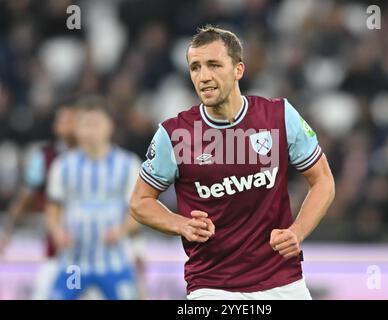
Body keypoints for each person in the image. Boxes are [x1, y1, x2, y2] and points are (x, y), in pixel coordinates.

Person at [129, 26, 335, 300]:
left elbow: (323, 181)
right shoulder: (175, 134)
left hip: (283, 282)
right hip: (212, 287)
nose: (203, 77)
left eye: (213, 65)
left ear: (238, 70)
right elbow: (139, 201)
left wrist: (297, 232)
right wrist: (181, 224)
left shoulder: (278, 116)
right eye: (195, 67)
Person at [46, 97, 142, 299]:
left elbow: (140, 210)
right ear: (77, 129)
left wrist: (122, 230)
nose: (91, 131)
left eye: (96, 124)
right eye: (85, 124)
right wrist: (57, 232)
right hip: (74, 264)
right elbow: (53, 206)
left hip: (113, 263)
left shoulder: (128, 164)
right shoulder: (63, 166)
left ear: (110, 126)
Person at [0, 103, 78, 299]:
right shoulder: (45, 157)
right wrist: (7, 229)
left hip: (93, 254)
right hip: (57, 251)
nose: (65, 124)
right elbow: (27, 196)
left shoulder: (98, 159)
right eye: (61, 120)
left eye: (70, 120)